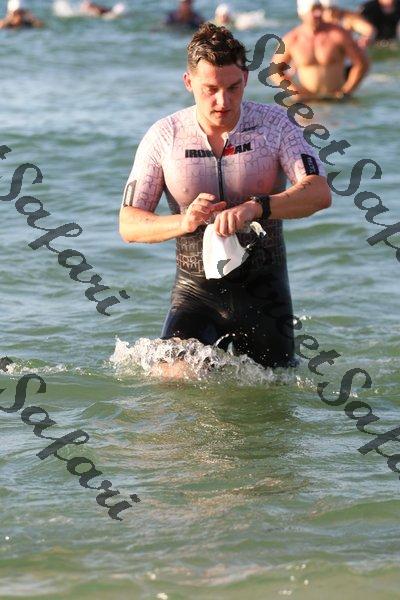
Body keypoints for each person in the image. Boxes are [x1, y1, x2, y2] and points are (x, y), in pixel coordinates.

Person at [119, 23, 331, 375]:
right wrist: (185, 221)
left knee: (273, 395)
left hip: (265, 293)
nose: (223, 101)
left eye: (233, 87)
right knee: (172, 374)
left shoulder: (277, 125)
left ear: (245, 78)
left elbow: (319, 192)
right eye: (210, 89)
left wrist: (257, 207)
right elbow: (129, 224)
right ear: (189, 83)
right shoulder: (164, 136)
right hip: (195, 291)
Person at [271, 0, 369, 101]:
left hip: (336, 100)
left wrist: (347, 91)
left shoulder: (338, 34)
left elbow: (361, 64)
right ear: (302, 13)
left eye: (320, 9)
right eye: (313, 10)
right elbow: (274, 70)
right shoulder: (292, 39)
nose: (318, 13)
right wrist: (294, 91)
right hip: (308, 101)